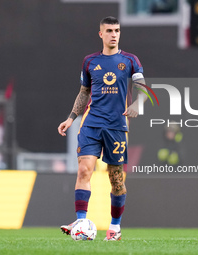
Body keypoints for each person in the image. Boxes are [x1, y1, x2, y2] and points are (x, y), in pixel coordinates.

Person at [57, 16, 147, 241]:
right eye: (109, 31)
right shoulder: (89, 62)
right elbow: (83, 92)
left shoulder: (130, 60)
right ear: (101, 34)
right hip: (91, 123)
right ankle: (81, 220)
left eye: (117, 30)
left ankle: (115, 227)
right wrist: (71, 118)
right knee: (84, 170)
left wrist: (137, 104)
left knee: (116, 179)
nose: (114, 34)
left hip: (117, 126)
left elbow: (143, 89)